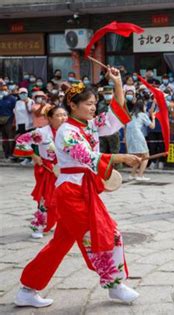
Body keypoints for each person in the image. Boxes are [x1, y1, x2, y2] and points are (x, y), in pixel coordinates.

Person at [14, 68, 142, 308]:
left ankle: (27, 288)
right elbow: (85, 156)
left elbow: (117, 115)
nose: (94, 108)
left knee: (59, 244)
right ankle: (114, 285)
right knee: (105, 235)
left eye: (95, 104)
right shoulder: (66, 131)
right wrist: (120, 157)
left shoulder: (90, 126)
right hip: (71, 193)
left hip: (84, 190)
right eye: (89, 104)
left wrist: (117, 83)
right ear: (73, 105)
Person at [13, 106, 68, 238]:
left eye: (65, 115)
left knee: (66, 198)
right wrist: (33, 155)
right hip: (48, 169)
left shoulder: (70, 132)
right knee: (45, 198)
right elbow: (21, 140)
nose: (63, 118)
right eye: (59, 115)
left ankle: (64, 224)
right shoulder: (41, 132)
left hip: (66, 169)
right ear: (49, 118)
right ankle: (39, 225)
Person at [126, 99, 156, 181]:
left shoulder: (130, 114)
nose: (145, 107)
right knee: (146, 156)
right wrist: (153, 118)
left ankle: (132, 175)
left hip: (129, 136)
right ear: (142, 107)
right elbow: (152, 126)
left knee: (138, 156)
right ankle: (140, 175)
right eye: (145, 106)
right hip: (138, 135)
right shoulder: (143, 115)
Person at [97, 86, 120, 157]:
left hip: (113, 131)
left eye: (110, 93)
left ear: (113, 93)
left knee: (114, 152)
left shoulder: (117, 103)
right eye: (106, 93)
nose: (108, 95)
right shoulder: (100, 104)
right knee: (102, 151)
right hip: (103, 130)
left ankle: (117, 167)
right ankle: (104, 167)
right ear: (103, 94)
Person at [0, 84, 17, 160]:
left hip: (10, 120)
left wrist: (14, 121)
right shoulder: (0, 99)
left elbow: (16, 111)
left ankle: (12, 154)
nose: (3, 91)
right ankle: (6, 154)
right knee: (4, 139)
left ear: (8, 90)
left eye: (5, 89)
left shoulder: (13, 99)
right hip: (1, 121)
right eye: (2, 90)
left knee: (11, 138)